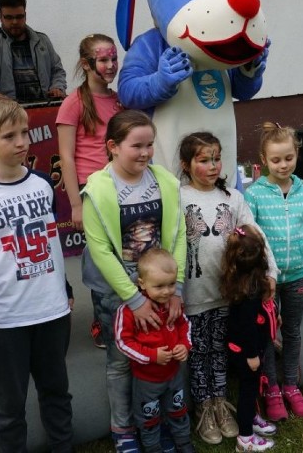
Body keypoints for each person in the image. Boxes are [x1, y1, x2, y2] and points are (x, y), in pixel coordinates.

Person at [0, 97, 74, 452]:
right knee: (10, 407)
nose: (21, 142)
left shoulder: (41, 183)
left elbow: (51, 241)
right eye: (9, 136)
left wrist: (64, 286)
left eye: (24, 132)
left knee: (57, 393)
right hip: (4, 320)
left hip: (52, 311)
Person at [81, 110, 186, 453]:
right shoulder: (97, 190)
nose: (145, 153)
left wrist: (177, 287)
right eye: (136, 145)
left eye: (150, 145)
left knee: (164, 351)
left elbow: (179, 234)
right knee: (121, 360)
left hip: (161, 286)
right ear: (112, 146)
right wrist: (134, 299)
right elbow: (99, 249)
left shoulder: (164, 182)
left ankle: (160, 421)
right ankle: (124, 429)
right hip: (118, 289)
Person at [177, 131, 278, 445]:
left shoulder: (232, 198)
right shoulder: (178, 197)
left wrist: (270, 271)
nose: (212, 166)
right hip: (194, 296)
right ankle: (204, 409)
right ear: (185, 164)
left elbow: (255, 234)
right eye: (203, 160)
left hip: (227, 297)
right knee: (199, 354)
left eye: (216, 159)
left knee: (220, 352)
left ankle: (221, 405)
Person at [244, 122, 303, 419]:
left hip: (298, 274)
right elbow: (252, 237)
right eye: (276, 160)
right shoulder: (255, 195)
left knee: (293, 331)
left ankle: (291, 386)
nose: (283, 164)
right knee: (267, 333)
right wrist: (260, 275)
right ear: (263, 159)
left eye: (288, 158)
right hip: (268, 280)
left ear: (296, 154)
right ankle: (271, 389)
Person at [56, 33, 123, 349]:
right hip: (91, 192)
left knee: (124, 255)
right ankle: (103, 322)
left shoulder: (120, 99)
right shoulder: (73, 104)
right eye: (103, 60)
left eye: (113, 58)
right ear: (86, 64)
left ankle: (124, 317)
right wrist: (75, 205)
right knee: (100, 258)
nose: (111, 65)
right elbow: (66, 157)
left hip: (121, 187)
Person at [116, 248, 194, 453]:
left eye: (171, 284)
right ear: (142, 283)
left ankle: (184, 443)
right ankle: (152, 448)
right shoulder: (129, 311)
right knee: (148, 418)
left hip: (173, 375)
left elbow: (185, 326)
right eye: (159, 286)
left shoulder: (173, 305)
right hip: (146, 380)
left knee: (178, 410)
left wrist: (184, 346)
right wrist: (152, 356)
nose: (167, 291)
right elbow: (123, 342)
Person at [222, 225, 279, 452]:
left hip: (247, 347)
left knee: (252, 388)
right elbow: (246, 326)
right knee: (248, 391)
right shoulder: (250, 290)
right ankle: (245, 438)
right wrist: (252, 355)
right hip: (246, 351)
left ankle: (252, 417)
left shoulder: (241, 280)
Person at [0, 0, 67, 102]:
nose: (14, 22)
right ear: (0, 17)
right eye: (8, 17)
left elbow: (57, 70)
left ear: (25, 15)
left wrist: (57, 87)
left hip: (44, 108)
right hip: (9, 112)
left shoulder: (42, 40)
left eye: (19, 17)